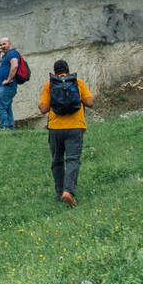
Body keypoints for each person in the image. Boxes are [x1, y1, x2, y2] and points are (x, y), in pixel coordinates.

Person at [38, 59, 95, 208]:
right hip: (75, 127)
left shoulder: (50, 85)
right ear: (68, 71)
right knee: (72, 159)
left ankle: (59, 193)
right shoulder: (78, 82)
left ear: (54, 71)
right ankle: (68, 191)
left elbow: (43, 109)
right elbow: (90, 102)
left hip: (55, 128)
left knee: (57, 160)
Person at [0, 37, 20, 130]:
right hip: (4, 85)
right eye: (0, 44)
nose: (2, 46)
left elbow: (15, 65)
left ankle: (4, 127)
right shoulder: (6, 55)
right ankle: (10, 127)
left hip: (8, 85)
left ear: (10, 44)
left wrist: (8, 79)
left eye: (4, 44)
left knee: (0, 107)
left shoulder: (12, 53)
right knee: (7, 106)